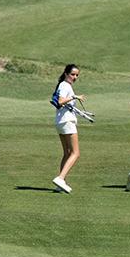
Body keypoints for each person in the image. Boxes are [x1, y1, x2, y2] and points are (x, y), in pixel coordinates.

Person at [52, 63, 85, 194]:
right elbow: (60, 102)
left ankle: (60, 183)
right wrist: (74, 97)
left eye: (77, 75)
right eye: (72, 74)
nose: (75, 77)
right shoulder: (65, 85)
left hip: (61, 121)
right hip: (67, 122)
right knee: (75, 153)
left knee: (67, 153)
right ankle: (60, 178)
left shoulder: (64, 85)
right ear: (66, 74)